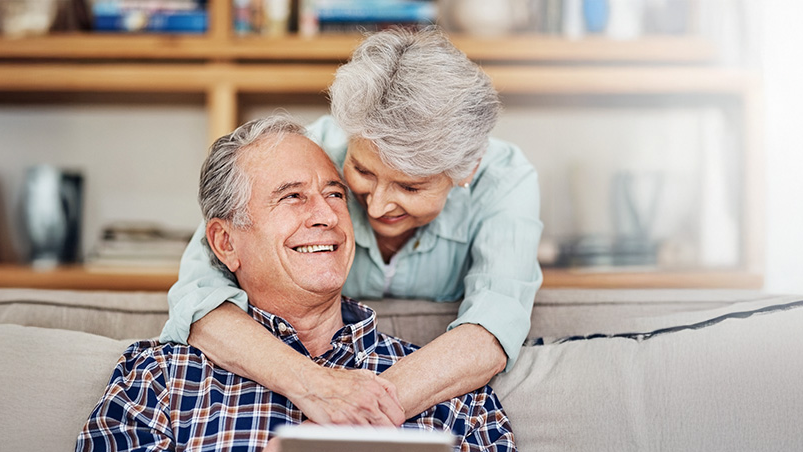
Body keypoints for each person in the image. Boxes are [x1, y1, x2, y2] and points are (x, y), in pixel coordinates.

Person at [71, 116, 574, 452]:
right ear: (224, 242)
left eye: (336, 194)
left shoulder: (447, 381)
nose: (327, 215)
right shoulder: (159, 376)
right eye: (292, 197)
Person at [161, 27, 543, 428]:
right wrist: (315, 385)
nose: (376, 205)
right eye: (361, 171)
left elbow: (493, 328)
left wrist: (344, 421)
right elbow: (198, 299)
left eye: (410, 185)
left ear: (468, 168)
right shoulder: (310, 153)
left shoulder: (504, 178)